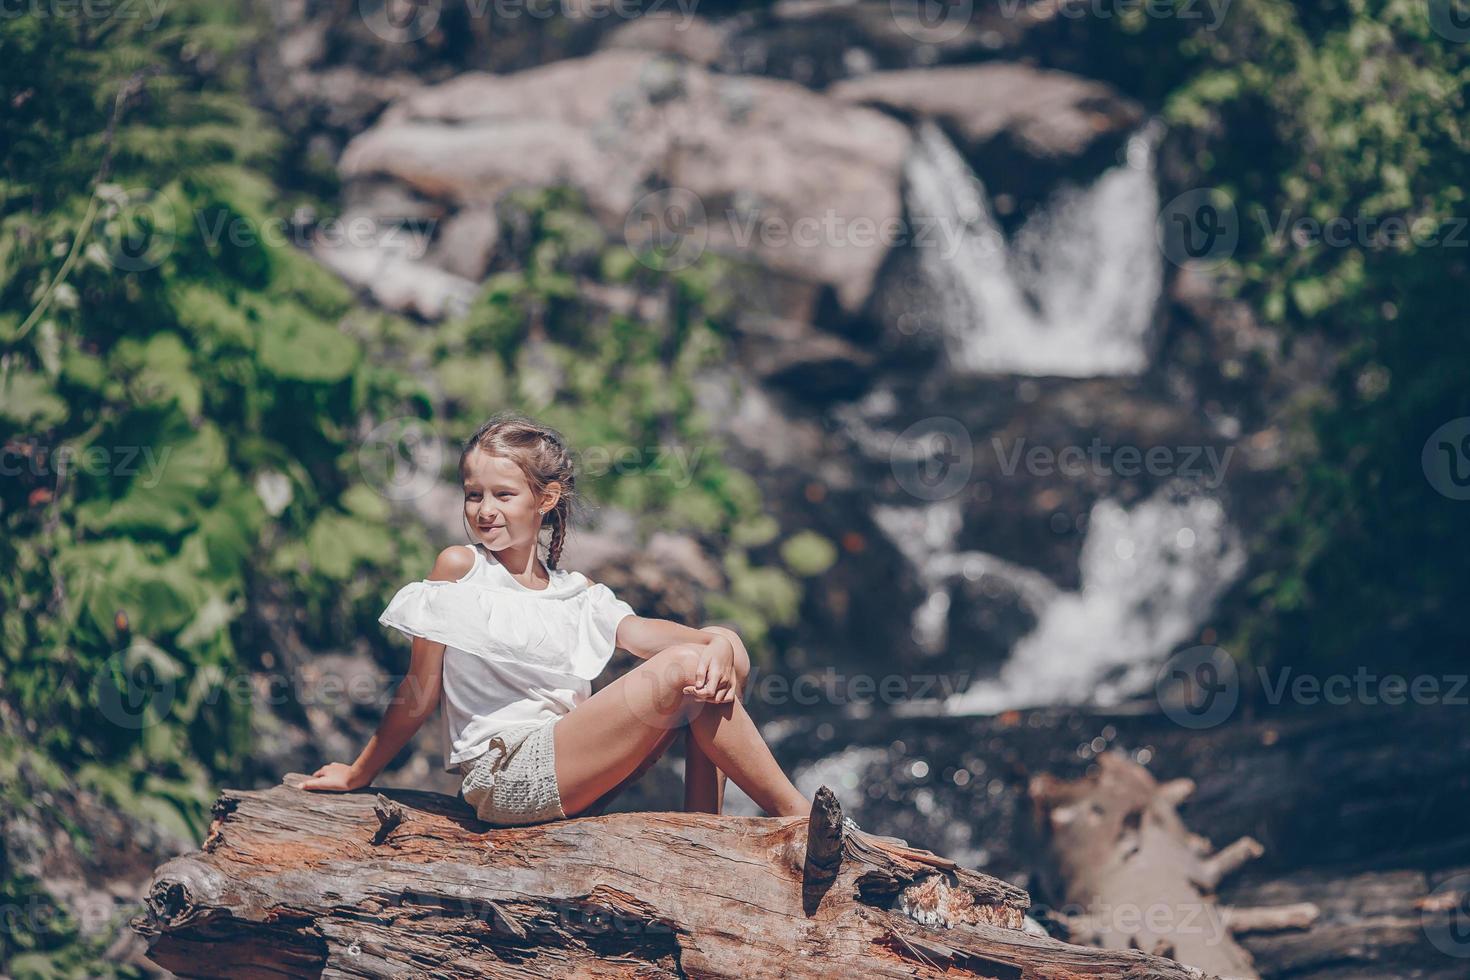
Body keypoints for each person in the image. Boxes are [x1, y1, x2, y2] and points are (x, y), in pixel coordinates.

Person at [301, 411, 814, 826]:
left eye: (504, 495)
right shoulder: (460, 569)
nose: (485, 510)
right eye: (474, 494)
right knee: (690, 666)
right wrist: (358, 773)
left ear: (545, 500)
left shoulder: (577, 592)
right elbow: (419, 691)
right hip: (505, 777)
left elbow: (648, 637)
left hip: (572, 766)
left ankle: (706, 831)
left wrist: (722, 642)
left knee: (721, 663)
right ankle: (798, 817)